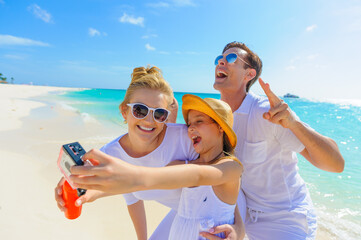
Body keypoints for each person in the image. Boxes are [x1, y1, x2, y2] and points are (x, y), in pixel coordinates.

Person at [55, 66, 245, 240]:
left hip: (219, 215)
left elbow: (211, 178)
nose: (148, 120)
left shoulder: (188, 140)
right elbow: (127, 193)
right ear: (124, 111)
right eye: (139, 110)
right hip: (184, 216)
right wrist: (87, 193)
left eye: (159, 114)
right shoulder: (112, 154)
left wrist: (239, 228)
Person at [210, 41, 345, 239]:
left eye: (231, 58)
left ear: (249, 74)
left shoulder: (265, 112)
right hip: (245, 217)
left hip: (287, 220)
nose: (221, 62)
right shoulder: (215, 117)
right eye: (219, 59)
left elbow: (336, 164)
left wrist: (293, 124)